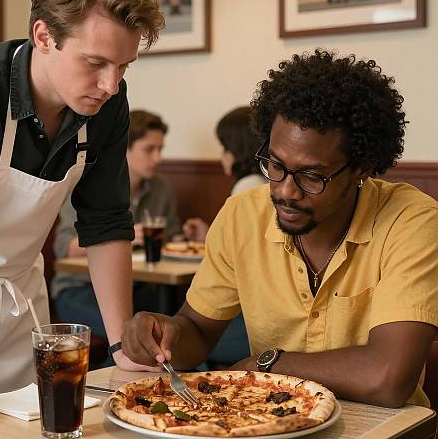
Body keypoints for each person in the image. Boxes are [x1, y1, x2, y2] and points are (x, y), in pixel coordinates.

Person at [0, 0, 164, 429]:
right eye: (95, 62)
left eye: (124, 67)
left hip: (21, 316)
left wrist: (121, 347)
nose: (111, 85)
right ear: (44, 36)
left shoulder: (106, 108)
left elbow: (106, 222)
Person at [121, 49, 438, 408]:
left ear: (361, 167)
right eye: (275, 165)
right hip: (267, 422)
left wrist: (266, 364)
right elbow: (197, 332)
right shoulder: (242, 215)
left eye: (312, 176)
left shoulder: (411, 220)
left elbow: (388, 378)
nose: (285, 190)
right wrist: (166, 333)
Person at [51, 109, 181, 340]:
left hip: (136, 287)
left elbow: (171, 240)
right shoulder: (89, 186)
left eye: (160, 149)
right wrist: (120, 238)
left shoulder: (162, 188)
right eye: (149, 149)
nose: (158, 158)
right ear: (125, 149)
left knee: (169, 325)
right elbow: (63, 247)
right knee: (138, 335)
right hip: (78, 289)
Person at [183, 106, 265, 368]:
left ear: (237, 149)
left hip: (247, 316)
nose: (222, 156)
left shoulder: (247, 188)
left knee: (190, 346)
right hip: (252, 308)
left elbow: (246, 260)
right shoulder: (263, 183)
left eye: (224, 147)